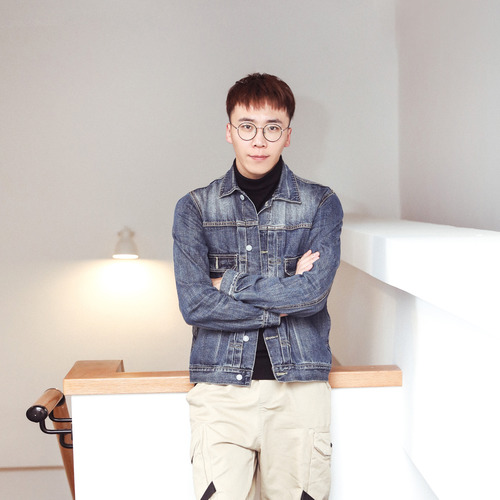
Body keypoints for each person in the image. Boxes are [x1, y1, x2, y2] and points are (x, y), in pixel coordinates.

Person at [173, 73, 343, 500]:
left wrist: (226, 282)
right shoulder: (194, 208)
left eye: (272, 128)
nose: (259, 140)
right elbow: (195, 304)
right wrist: (286, 292)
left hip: (299, 391)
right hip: (220, 393)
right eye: (247, 126)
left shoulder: (321, 203)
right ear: (229, 131)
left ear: (288, 135)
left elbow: (313, 295)